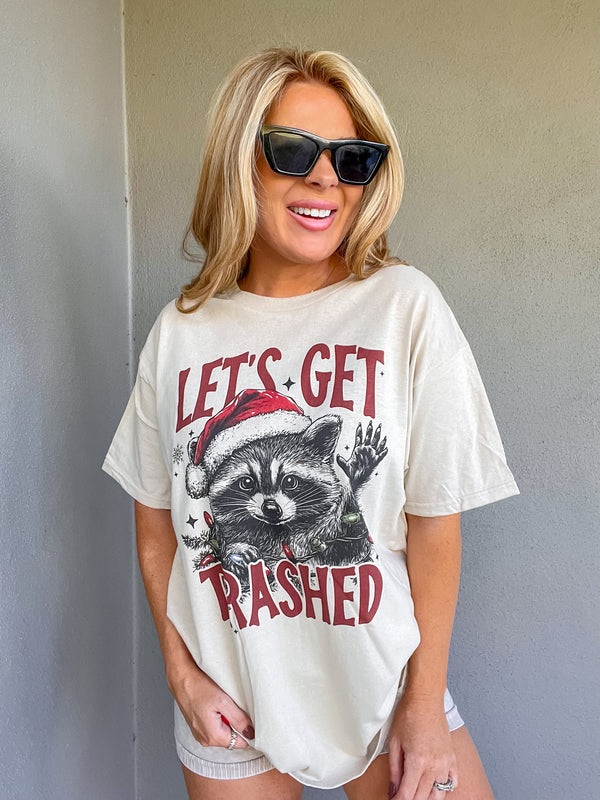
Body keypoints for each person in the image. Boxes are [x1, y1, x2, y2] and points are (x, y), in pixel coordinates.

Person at [103, 48, 518, 800]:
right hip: (231, 699)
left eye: (352, 159)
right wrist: (180, 673)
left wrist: (424, 706)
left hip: (386, 690)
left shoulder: (404, 307)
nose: (326, 178)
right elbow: (156, 516)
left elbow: (435, 523)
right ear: (241, 161)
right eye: (293, 151)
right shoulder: (180, 332)